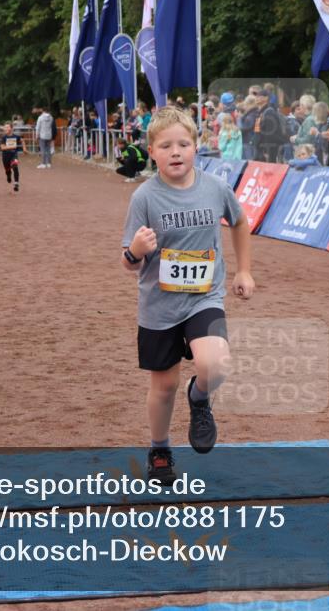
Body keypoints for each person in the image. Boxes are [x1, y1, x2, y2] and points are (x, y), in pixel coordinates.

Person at [120, 106, 254, 484]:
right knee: (163, 386)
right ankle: (160, 448)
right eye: (165, 146)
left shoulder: (215, 188)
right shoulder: (144, 198)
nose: (175, 151)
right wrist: (137, 250)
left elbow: (240, 221)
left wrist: (244, 269)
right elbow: (127, 263)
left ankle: (200, 398)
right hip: (159, 304)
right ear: (152, 152)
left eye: (183, 144)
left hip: (204, 297)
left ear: (197, 147)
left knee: (216, 364)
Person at [0, 121, 24, 192]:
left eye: (7, 127)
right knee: (7, 170)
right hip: (5, 156)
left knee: (15, 166)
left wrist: (24, 149)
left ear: (11, 128)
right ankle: (8, 175)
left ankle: (16, 184)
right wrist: (12, 146)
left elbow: (22, 140)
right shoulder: (4, 137)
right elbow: (2, 148)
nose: (6, 129)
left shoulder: (16, 136)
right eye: (5, 127)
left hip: (14, 155)